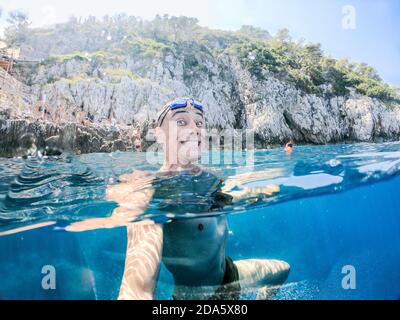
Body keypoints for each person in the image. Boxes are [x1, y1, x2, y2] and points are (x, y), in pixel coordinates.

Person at [66, 98, 290, 300]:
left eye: (199, 123)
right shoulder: (151, 191)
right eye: (181, 122)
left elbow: (223, 201)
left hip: (230, 276)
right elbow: (137, 289)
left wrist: (256, 191)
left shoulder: (212, 180)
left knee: (282, 269)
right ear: (159, 135)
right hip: (199, 297)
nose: (194, 129)